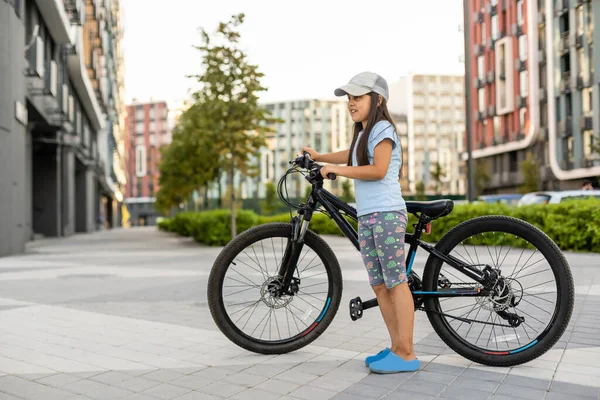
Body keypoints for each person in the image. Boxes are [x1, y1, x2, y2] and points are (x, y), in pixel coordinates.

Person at [301, 71, 419, 374]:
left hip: (387, 214)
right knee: (380, 286)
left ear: (377, 100)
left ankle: (407, 353)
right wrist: (320, 157)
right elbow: (352, 155)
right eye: (349, 98)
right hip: (368, 216)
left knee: (396, 282)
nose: (351, 103)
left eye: (358, 97)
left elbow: (378, 169)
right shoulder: (364, 134)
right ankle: (395, 347)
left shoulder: (383, 129)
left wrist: (336, 171)